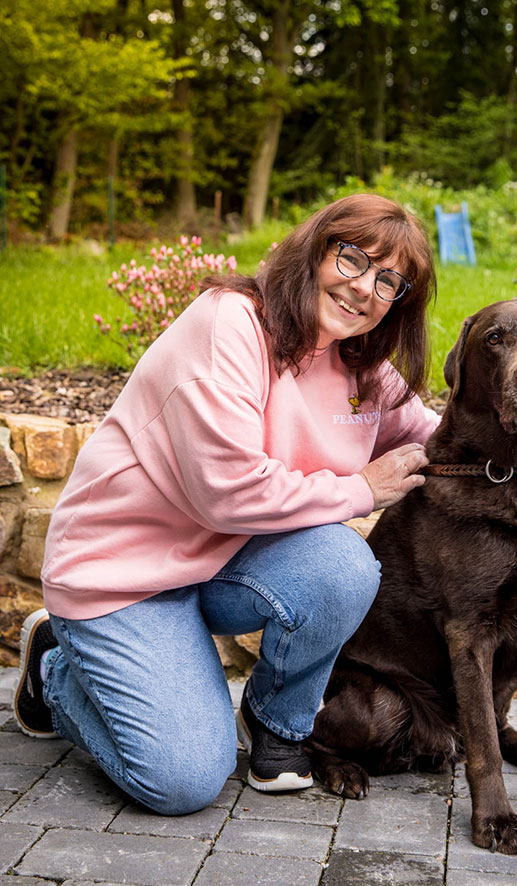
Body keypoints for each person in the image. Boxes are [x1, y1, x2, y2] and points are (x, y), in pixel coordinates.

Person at [13, 193, 440, 815]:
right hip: (123, 575)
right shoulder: (231, 323)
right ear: (315, 249)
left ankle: (279, 725)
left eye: (388, 281)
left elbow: (431, 434)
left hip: (222, 565)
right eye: (352, 259)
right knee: (183, 782)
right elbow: (227, 492)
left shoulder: (361, 363)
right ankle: (56, 671)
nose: (364, 288)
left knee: (342, 564)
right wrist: (361, 489)